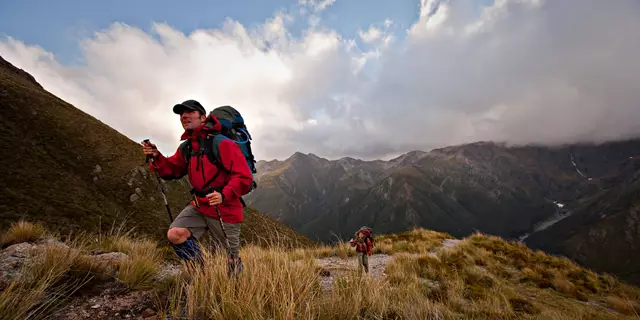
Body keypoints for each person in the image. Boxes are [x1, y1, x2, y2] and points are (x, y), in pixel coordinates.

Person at [141, 99, 253, 277]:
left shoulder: (222, 144)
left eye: (190, 112)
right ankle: (202, 273)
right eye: (181, 114)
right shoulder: (187, 147)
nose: (184, 116)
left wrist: (224, 194)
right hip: (200, 204)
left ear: (203, 117)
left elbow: (244, 177)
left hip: (225, 208)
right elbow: (172, 169)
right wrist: (157, 156)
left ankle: (237, 291)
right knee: (175, 234)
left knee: (229, 260)